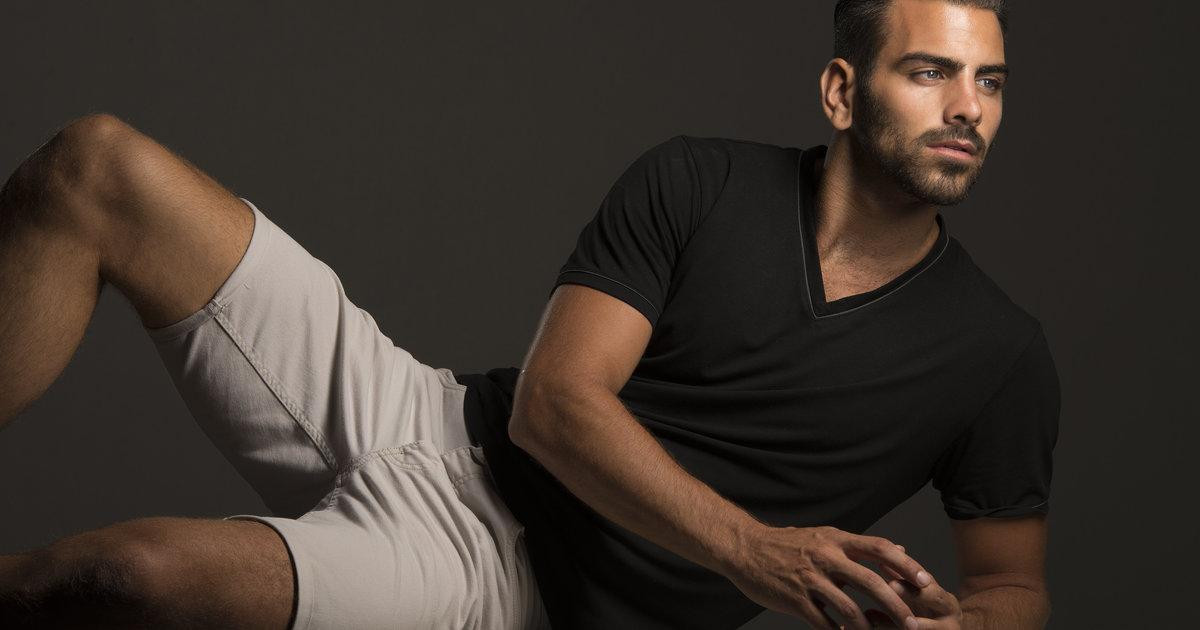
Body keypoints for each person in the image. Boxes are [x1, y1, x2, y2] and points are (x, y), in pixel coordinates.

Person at [0, 1, 1056, 630]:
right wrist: (754, 552)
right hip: (436, 419)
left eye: (992, 84)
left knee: (116, 581)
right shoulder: (701, 182)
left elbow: (1011, 583)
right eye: (932, 72)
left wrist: (960, 624)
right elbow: (553, 407)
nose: (969, 106)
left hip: (508, 582)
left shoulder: (998, 354)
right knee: (95, 166)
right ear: (841, 89)